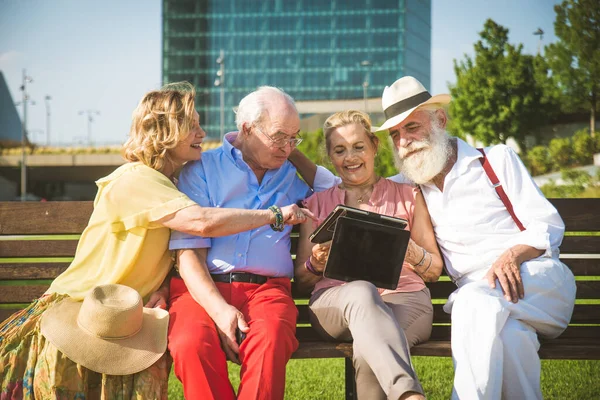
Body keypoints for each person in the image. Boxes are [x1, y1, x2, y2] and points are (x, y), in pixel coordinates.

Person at [0, 82, 309, 399]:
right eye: (192, 127)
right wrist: (275, 215)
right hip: (88, 305)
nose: (202, 134)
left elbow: (160, 248)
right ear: (166, 133)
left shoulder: (168, 182)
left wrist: (163, 286)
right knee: (188, 344)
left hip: (125, 308)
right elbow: (200, 222)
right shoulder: (137, 179)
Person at [378, 76, 576, 399]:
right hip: (487, 307)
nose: (403, 143)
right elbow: (349, 180)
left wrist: (512, 254)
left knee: (470, 301)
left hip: (538, 281)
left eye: (411, 128)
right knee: (512, 340)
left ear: (439, 120)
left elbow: (548, 224)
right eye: (395, 135)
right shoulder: (405, 187)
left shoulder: (495, 160)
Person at [167, 86, 323, 400]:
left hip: (268, 290)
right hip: (201, 288)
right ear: (246, 129)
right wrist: (220, 310)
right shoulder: (201, 169)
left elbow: (336, 187)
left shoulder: (294, 175)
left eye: (294, 138)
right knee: (190, 343)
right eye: (279, 136)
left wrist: (287, 147)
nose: (287, 147)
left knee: (272, 338)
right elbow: (188, 256)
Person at [294, 110, 444, 400]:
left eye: (358, 147)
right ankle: (409, 395)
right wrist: (316, 263)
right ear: (330, 156)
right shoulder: (314, 205)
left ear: (374, 146)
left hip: (405, 298)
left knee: (369, 346)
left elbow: (434, 270)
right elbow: (301, 281)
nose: (350, 157)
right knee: (361, 291)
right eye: (340, 150)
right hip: (335, 304)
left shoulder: (408, 196)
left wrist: (412, 253)